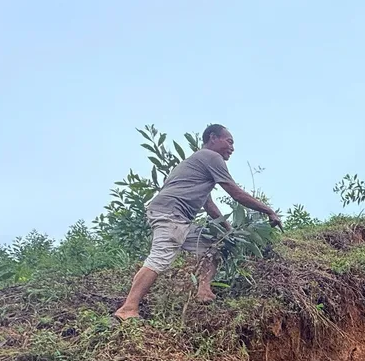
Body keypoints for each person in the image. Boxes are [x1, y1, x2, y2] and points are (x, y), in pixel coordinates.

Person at [113, 124, 282, 320]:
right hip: (170, 214)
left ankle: (204, 291)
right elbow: (236, 193)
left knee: (214, 245)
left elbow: (209, 205)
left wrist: (229, 232)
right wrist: (269, 211)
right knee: (159, 258)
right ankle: (128, 309)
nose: (232, 148)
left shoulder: (196, 164)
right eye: (229, 141)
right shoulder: (211, 157)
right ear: (213, 138)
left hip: (179, 219)